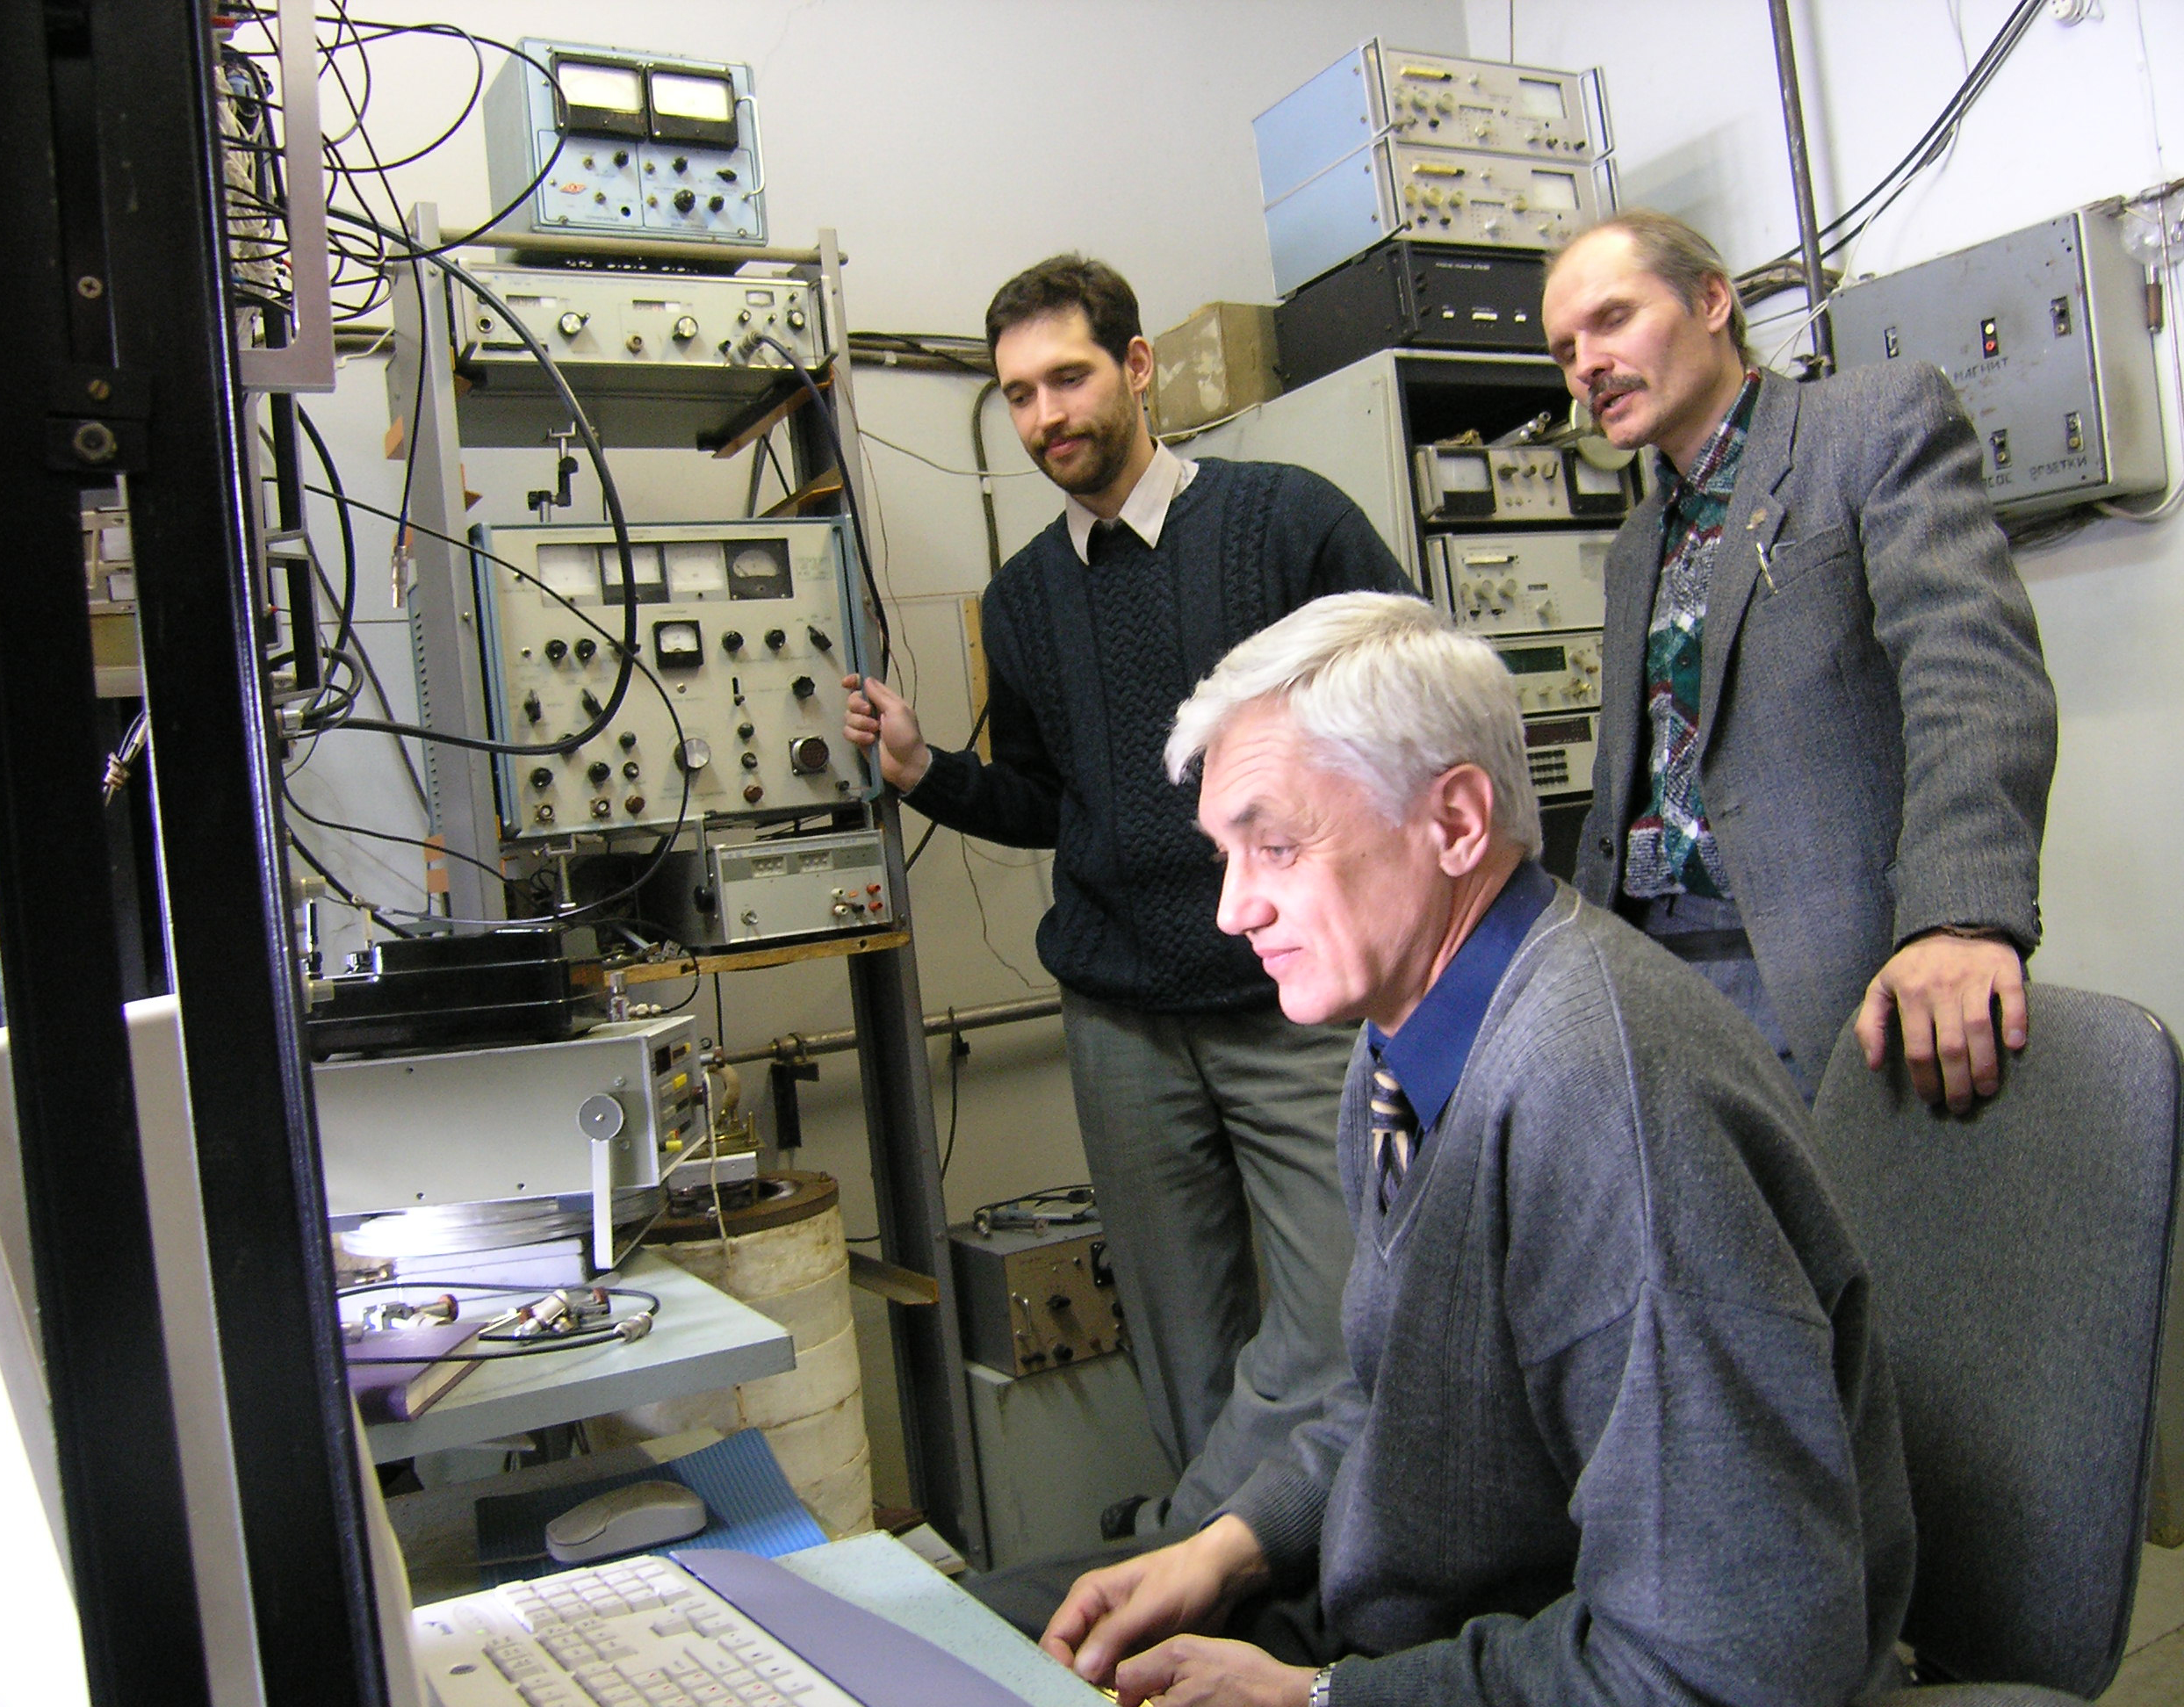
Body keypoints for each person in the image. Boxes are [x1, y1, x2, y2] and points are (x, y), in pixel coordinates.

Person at [1041, 590, 1914, 1707]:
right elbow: (1404, 1399)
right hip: (1426, 1638)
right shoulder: (1403, 1041)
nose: (1233, 909)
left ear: (1455, 821)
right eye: (1226, 855)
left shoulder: (1599, 1102)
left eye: (1276, 847)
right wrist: (1230, 1546)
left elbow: (1730, 1667)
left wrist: (1317, 1700)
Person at [843, 255, 1414, 1535]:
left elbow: (1415, 706)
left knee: (1346, 1320)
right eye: (1019, 394)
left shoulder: (1286, 521)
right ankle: (1231, 1590)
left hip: (1294, 1012)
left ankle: (1326, 1575)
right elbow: (1051, 802)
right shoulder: (1022, 599)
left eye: (1069, 377)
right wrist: (925, 770)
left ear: (1137, 367)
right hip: (1124, 1027)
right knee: (1181, 1349)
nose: (1047, 415)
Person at [1539, 211, 2058, 1108]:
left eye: (1612, 319)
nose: (1587, 365)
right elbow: (1625, 787)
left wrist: (1960, 918)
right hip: (1647, 973)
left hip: (1812, 967)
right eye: (1564, 350)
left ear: (1712, 301)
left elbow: (1973, 675)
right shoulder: (1635, 543)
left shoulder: (1868, 426)